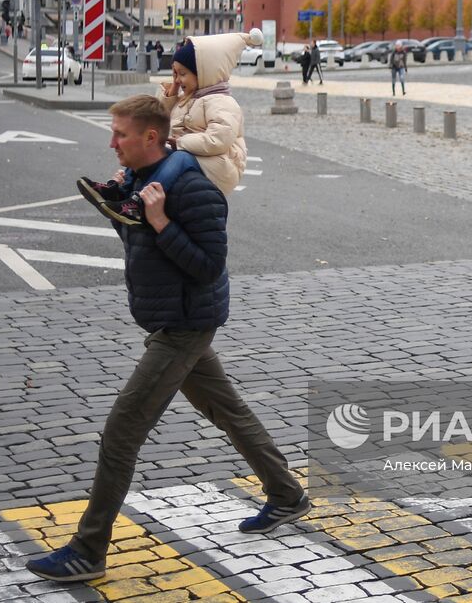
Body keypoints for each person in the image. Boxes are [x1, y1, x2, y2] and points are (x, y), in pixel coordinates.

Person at [27, 94, 310, 584]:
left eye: (121, 135)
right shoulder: (144, 180)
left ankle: (88, 550)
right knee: (227, 409)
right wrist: (120, 205)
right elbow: (140, 242)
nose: (112, 143)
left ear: (151, 138)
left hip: (186, 323)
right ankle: (287, 493)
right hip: (172, 318)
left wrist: (160, 221)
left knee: (122, 429)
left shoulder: (192, 189)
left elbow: (206, 265)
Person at [78, 30, 263, 227]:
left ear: (203, 72)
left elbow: (218, 140)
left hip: (221, 163)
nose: (178, 80)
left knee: (179, 156)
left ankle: (138, 203)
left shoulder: (223, 102)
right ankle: (118, 190)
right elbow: (158, 121)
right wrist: (171, 93)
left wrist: (181, 143)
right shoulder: (186, 98)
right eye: (174, 73)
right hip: (195, 156)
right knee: (148, 150)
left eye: (182, 74)